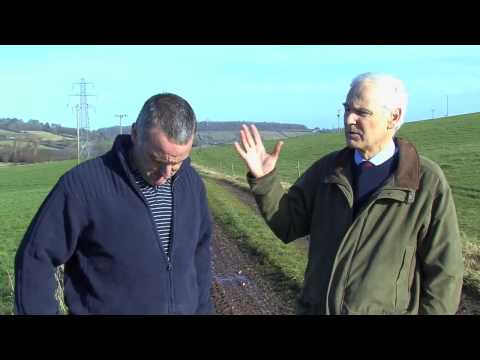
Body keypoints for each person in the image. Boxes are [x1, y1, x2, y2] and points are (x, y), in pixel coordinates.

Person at [234, 73, 463, 315]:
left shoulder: (425, 182)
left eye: (362, 112)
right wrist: (265, 180)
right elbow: (288, 224)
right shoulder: (327, 171)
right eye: (347, 109)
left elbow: (444, 275)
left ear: (393, 117)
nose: (349, 119)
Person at [15, 93, 213, 315]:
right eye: (157, 160)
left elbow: (200, 256)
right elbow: (35, 258)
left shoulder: (192, 184)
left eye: (177, 163)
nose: (165, 174)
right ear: (136, 134)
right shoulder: (83, 185)